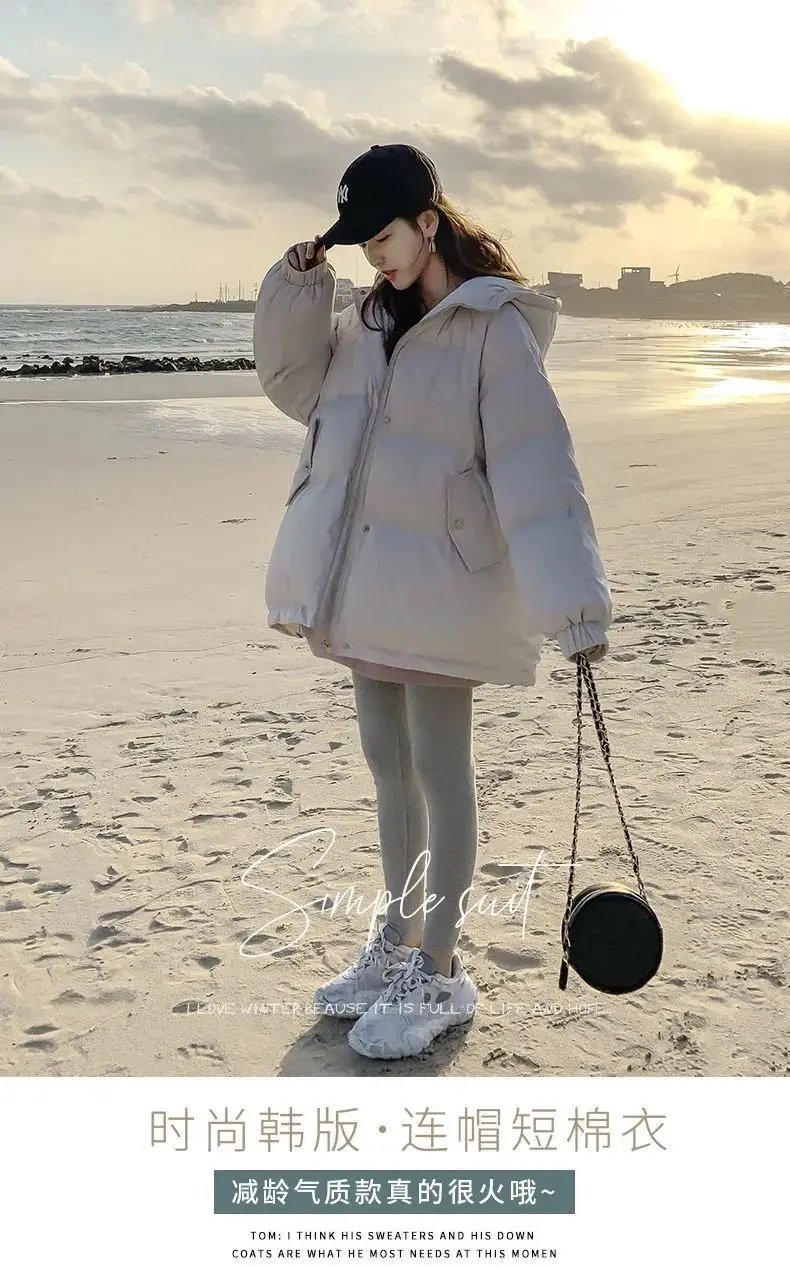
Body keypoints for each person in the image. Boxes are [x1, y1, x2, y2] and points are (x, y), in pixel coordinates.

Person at [253, 143, 612, 1061]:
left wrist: (574, 609)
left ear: (427, 221)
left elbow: (540, 472)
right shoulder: (361, 324)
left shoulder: (492, 328)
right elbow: (291, 387)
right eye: (359, 244)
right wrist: (298, 289)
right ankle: (399, 939)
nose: (373, 257)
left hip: (447, 586)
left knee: (441, 774)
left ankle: (440, 968)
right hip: (368, 582)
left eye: (383, 237)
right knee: (388, 763)